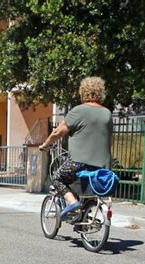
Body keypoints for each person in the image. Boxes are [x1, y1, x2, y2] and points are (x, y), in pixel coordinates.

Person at [39, 77, 113, 218]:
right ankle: (82, 221)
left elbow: (57, 132)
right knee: (87, 193)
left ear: (83, 92)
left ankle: (72, 202)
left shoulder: (78, 111)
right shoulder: (107, 113)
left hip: (79, 162)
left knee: (57, 178)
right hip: (103, 165)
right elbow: (110, 142)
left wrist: (45, 145)